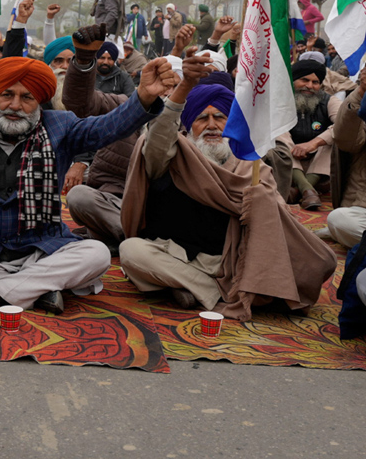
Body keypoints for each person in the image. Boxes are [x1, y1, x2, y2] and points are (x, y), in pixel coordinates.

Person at [0, 53, 173, 314]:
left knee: (97, 254)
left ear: (40, 101)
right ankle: (34, 288)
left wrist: (144, 97)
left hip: (41, 251)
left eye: (27, 97)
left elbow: (108, 127)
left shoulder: (61, 127)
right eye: (7, 95)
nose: (15, 105)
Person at [119, 50, 336, 318]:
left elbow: (277, 223)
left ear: (232, 123)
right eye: (201, 118)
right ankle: (213, 291)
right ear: (189, 125)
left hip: (229, 261)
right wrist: (185, 85)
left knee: (322, 259)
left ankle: (189, 288)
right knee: (131, 252)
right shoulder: (173, 156)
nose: (211, 126)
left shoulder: (252, 166)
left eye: (220, 117)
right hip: (174, 254)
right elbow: (159, 139)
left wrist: (262, 204)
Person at [62, 26, 171, 253]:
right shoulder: (125, 106)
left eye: (174, 86)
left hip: (160, 209)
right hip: (115, 202)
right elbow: (80, 104)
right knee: (78, 196)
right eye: (162, 83)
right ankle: (140, 239)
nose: (166, 90)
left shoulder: (192, 127)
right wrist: (83, 59)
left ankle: (117, 239)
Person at [281, 57, 342, 210]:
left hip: (319, 165)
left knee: (333, 140)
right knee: (277, 135)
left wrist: (313, 143)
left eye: (315, 82)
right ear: (293, 80)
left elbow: (345, 124)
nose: (309, 86)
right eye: (304, 80)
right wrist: (295, 148)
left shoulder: (328, 100)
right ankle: (307, 189)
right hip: (288, 164)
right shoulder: (279, 101)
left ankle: (302, 189)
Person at [326, 68, 366, 247]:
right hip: (362, 206)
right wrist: (361, 93)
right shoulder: (361, 102)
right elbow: (345, 141)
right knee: (340, 220)